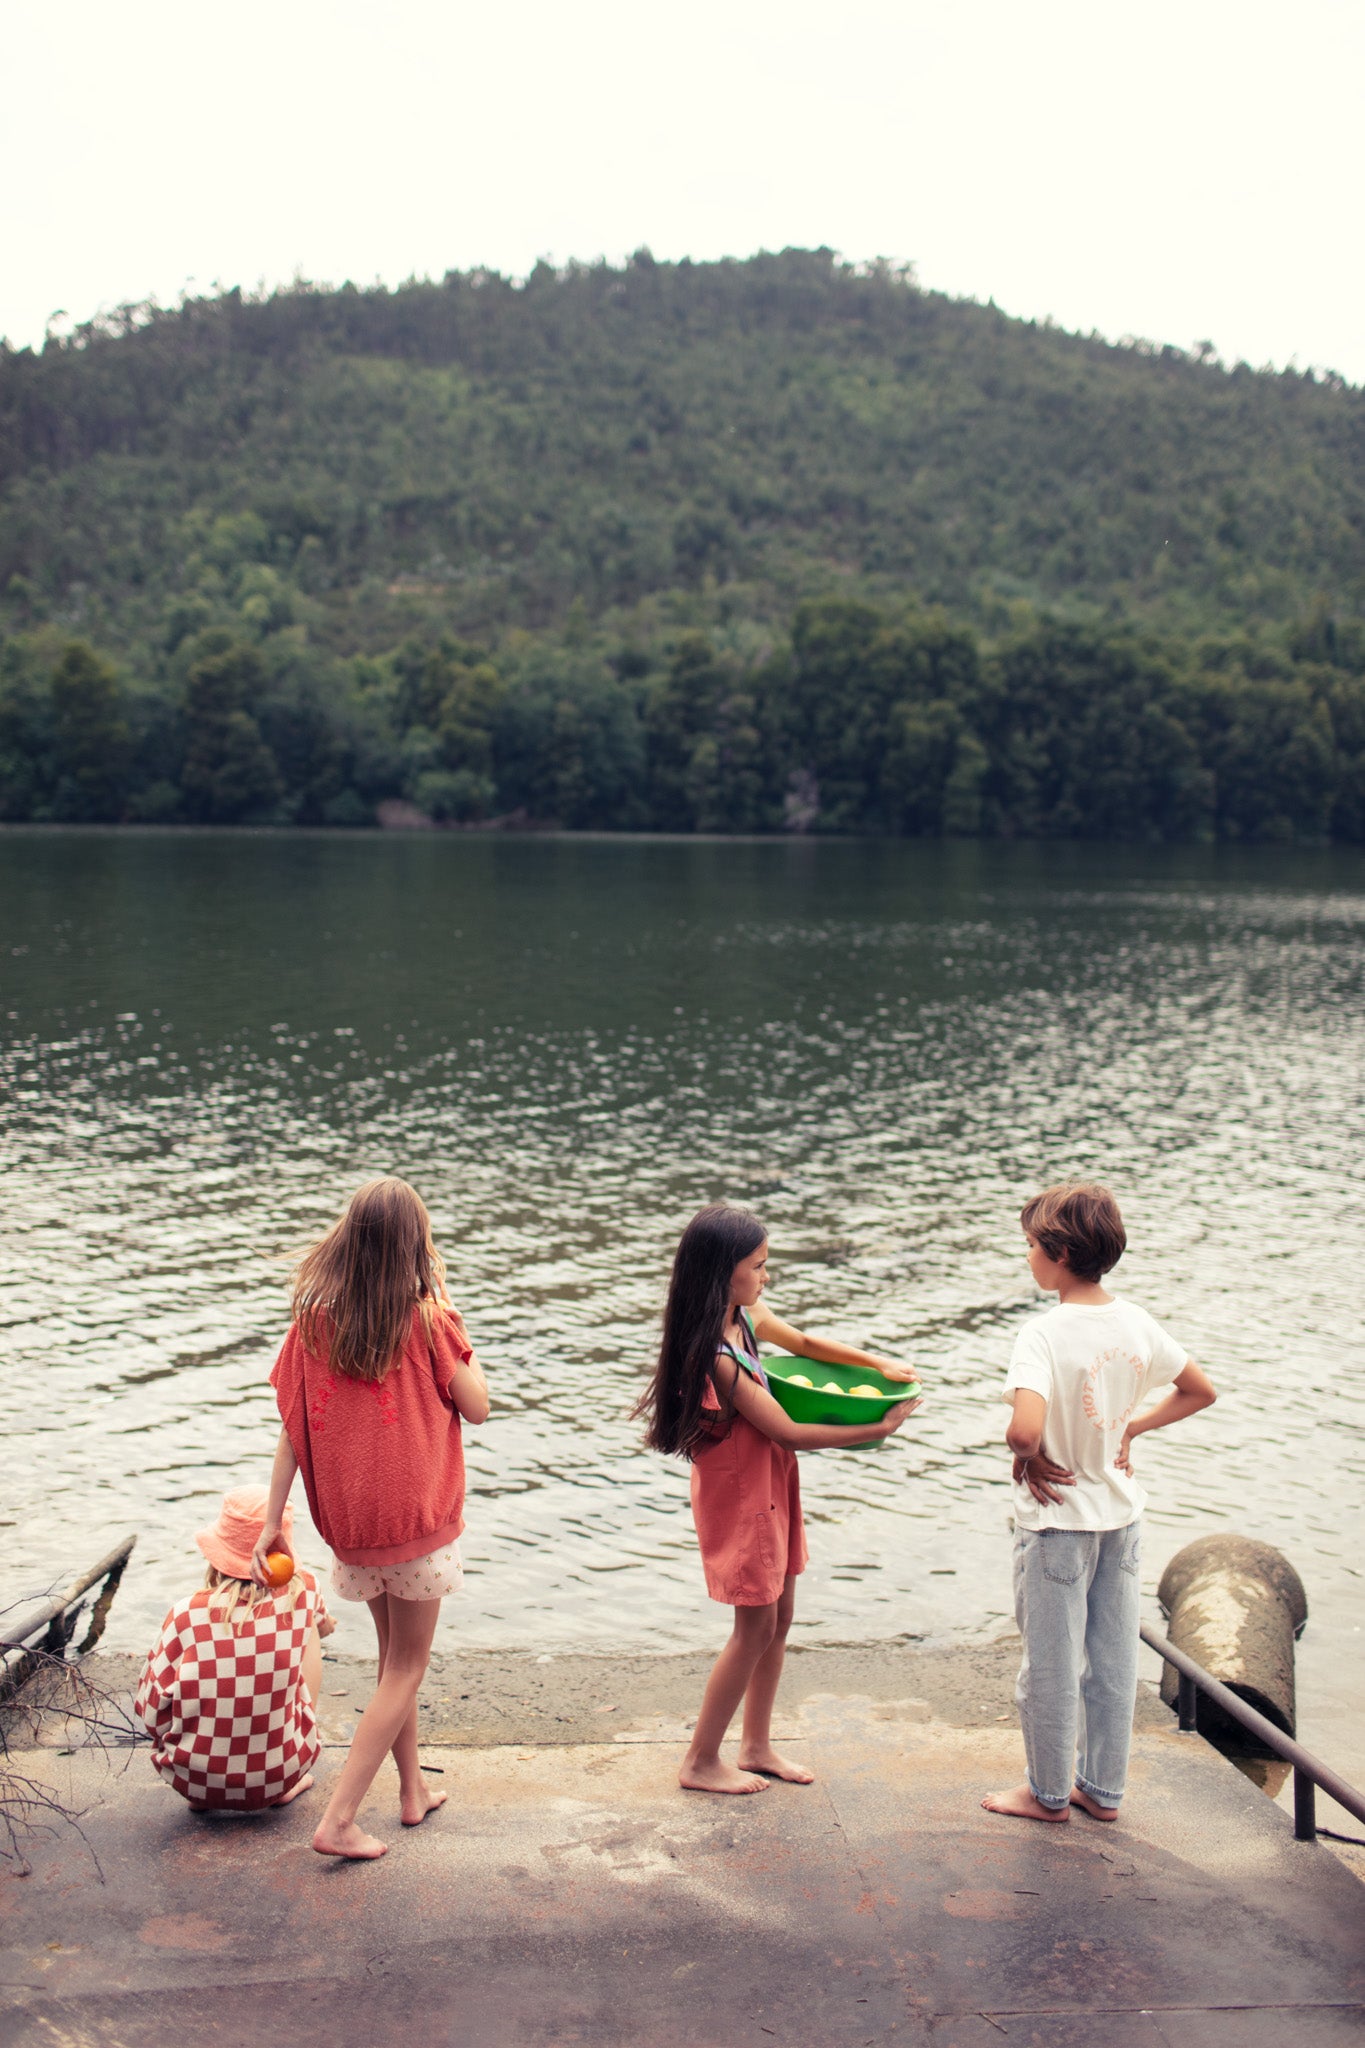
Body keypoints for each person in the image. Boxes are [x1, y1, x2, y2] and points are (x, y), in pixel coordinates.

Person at [637, 1202, 920, 1795]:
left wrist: (877, 1363)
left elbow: (803, 1340)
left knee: (779, 1618)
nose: (766, 1276)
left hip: (770, 1481)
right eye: (759, 1266)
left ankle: (757, 1744)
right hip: (742, 1492)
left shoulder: (742, 1314)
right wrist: (879, 1428)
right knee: (753, 1626)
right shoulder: (715, 1355)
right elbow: (786, 1430)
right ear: (723, 1272)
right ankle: (700, 1760)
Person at [251, 1176, 489, 1860]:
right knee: (407, 1666)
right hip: (416, 1522)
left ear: (348, 1243)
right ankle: (340, 1819)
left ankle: (412, 1791)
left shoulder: (313, 1325)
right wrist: (454, 1322)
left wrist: (274, 1519)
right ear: (417, 1248)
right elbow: (478, 1407)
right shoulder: (431, 1322)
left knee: (392, 1662)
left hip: (351, 1526)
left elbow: (294, 1429)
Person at [984, 1181, 1216, 1826]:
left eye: (1030, 1246)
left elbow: (1025, 1429)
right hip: (1121, 1516)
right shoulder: (1135, 1320)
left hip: (1059, 1522)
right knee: (1113, 1662)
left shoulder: (1043, 1333)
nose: (1027, 1257)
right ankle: (1103, 1791)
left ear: (1057, 1252)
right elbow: (1199, 1390)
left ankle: (1048, 1794)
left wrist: (1025, 1455)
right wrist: (1130, 1429)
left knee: (1051, 1668)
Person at [135, 1488, 333, 1811]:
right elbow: (320, 1624)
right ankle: (285, 1760)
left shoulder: (185, 1615)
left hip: (191, 1780)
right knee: (308, 1624)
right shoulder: (305, 1592)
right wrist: (319, 1624)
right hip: (281, 1774)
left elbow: (149, 1711)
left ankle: (209, 1784)